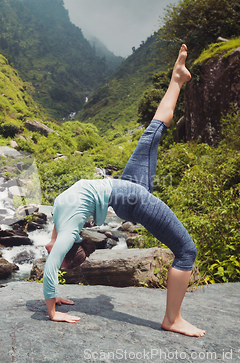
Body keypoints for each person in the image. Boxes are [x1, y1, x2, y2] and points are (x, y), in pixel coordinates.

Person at [42, 44, 206, 337]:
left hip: (126, 188)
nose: (46, 250)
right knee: (186, 250)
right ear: (68, 249)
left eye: (53, 252)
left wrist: (52, 307)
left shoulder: (59, 219)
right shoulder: (66, 229)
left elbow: (52, 265)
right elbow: (54, 262)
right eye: (56, 252)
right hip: (127, 197)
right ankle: (172, 319)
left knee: (153, 132)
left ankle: (177, 79)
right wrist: (53, 305)